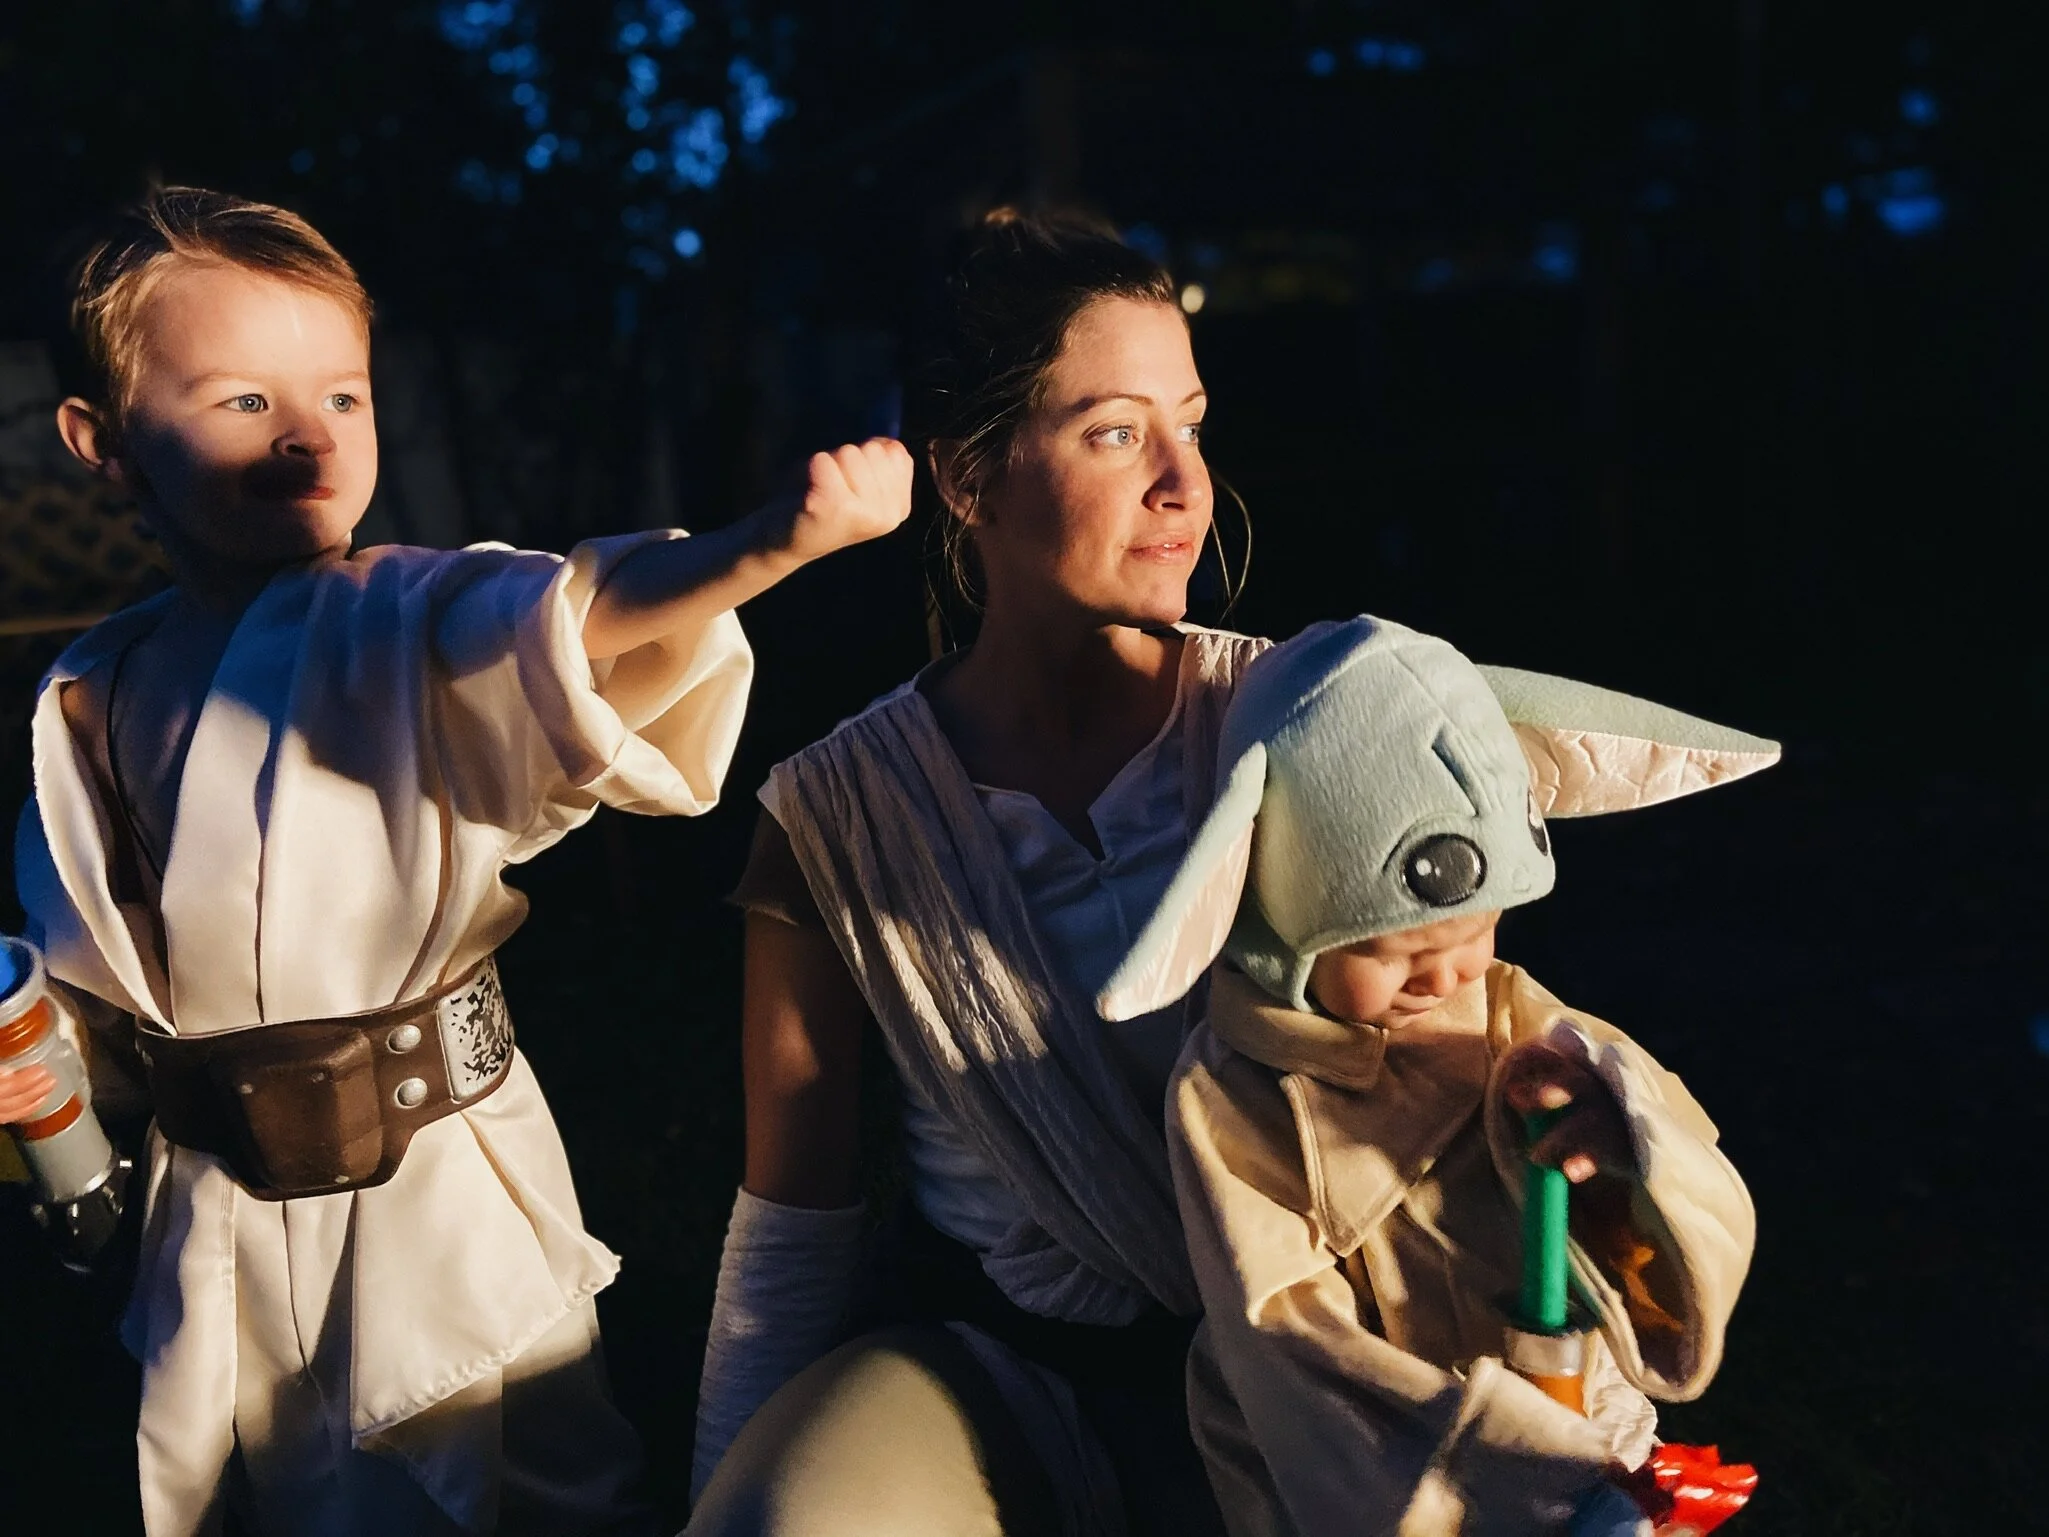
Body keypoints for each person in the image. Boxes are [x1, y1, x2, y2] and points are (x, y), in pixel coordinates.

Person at [8, 186, 910, 1537]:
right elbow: (104, 971)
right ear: (106, 442)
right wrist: (55, 1064)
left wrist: (765, 546)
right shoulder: (92, 692)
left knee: (492, 1480)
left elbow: (569, 617)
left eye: (344, 396)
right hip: (215, 1209)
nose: (310, 434)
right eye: (245, 401)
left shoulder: (403, 617)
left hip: (425, 1189)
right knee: (251, 1487)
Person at [687, 209, 1261, 1536]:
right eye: (1113, 433)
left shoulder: (1296, 725)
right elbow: (797, 1214)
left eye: (1190, 425)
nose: (1183, 484)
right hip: (996, 1366)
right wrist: (719, 1491)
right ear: (966, 478)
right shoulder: (848, 812)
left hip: (1287, 1356)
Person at [1094, 616, 1776, 1535]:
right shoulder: (1234, 1098)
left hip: (1576, 1415)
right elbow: (1284, 1330)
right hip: (1399, 1469)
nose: (1446, 975)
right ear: (1279, 908)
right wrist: (1500, 1465)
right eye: (1393, 950)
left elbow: (1673, 1150)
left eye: (1477, 931)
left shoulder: (1504, 1014)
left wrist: (1618, 1141)